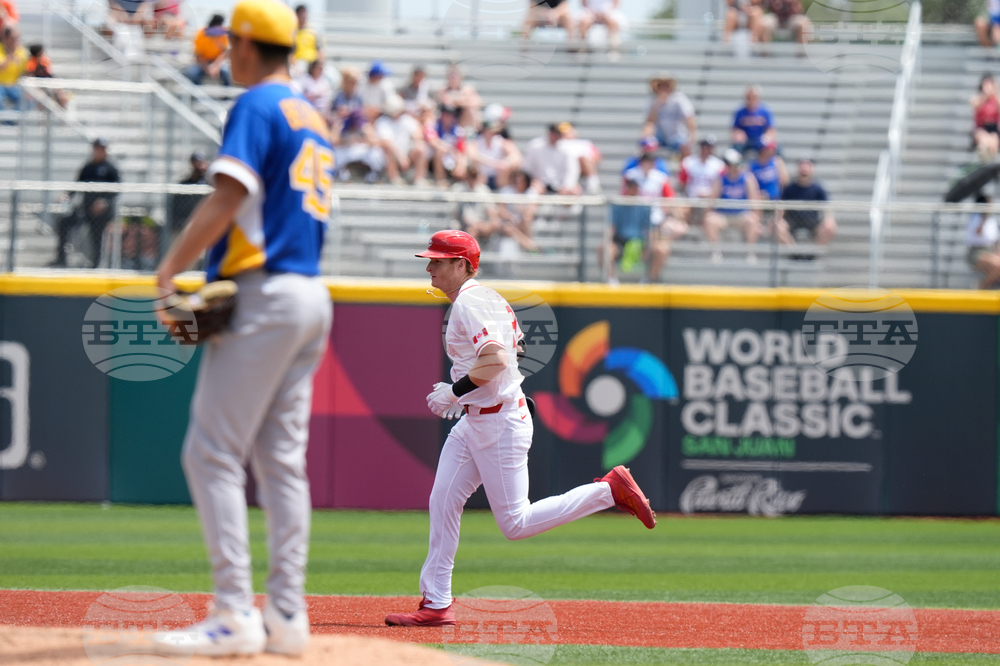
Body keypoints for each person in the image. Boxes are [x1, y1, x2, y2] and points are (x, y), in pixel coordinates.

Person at [150, 0, 333, 656]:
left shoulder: (256, 105)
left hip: (268, 293)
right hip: (311, 292)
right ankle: (287, 616)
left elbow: (228, 196)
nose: (227, 54)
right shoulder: (310, 113)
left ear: (251, 47)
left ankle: (233, 611)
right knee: (282, 462)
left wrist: (168, 269)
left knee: (210, 452)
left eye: (231, 44)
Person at [383, 230, 656, 627]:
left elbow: (494, 359)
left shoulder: (470, 304)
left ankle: (607, 491)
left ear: (461, 265)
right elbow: (518, 350)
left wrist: (455, 392)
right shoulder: (486, 297)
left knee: (515, 523)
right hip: (481, 420)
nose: (429, 268)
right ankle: (436, 602)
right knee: (443, 501)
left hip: (496, 422)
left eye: (438, 261)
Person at [49, 138, 121, 268]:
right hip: (85, 208)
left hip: (101, 212)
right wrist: (66, 196)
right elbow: (77, 185)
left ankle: (96, 265)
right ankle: (61, 259)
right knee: (64, 224)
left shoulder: (110, 169)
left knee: (96, 236)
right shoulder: (88, 167)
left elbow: (116, 190)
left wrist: (104, 202)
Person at [600, 173, 671, 284]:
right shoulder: (617, 206)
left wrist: (649, 246)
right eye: (631, 187)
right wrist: (608, 241)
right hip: (621, 243)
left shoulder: (644, 207)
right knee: (604, 249)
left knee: (661, 250)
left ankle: (649, 280)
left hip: (640, 243)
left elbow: (650, 230)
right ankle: (612, 281)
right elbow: (612, 227)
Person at [705, 149, 762, 263]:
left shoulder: (747, 178)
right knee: (710, 220)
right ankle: (715, 252)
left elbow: (754, 200)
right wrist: (708, 213)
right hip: (723, 215)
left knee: (752, 221)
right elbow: (712, 200)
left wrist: (757, 217)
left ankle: (750, 253)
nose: (735, 167)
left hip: (742, 215)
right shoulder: (720, 179)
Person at [624, 152, 687, 242]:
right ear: (641, 163)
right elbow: (624, 196)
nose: (647, 164)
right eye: (645, 161)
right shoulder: (631, 176)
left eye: (650, 161)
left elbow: (670, 197)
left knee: (679, 228)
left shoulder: (660, 177)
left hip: (655, 214)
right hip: (635, 214)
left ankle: (659, 243)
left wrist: (666, 208)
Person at [774, 158, 836, 247]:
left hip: (812, 220)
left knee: (830, 228)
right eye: (802, 166)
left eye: (807, 166)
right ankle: (793, 252)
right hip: (792, 221)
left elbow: (827, 207)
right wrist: (779, 219)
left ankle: (814, 254)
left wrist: (829, 220)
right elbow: (782, 206)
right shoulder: (789, 188)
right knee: (778, 226)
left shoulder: (818, 189)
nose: (804, 169)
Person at [374, 94, 428, 185]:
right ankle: (394, 178)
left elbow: (418, 133)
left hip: (406, 154)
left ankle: (419, 179)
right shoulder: (382, 121)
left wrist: (417, 141)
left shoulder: (406, 119)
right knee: (388, 150)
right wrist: (401, 156)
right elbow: (387, 142)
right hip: (392, 155)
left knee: (421, 148)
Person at [642, 71, 697, 159]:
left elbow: (689, 117)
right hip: (660, 136)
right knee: (646, 143)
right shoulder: (653, 100)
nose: (663, 88)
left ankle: (683, 170)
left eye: (666, 85)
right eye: (660, 86)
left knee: (686, 148)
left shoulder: (679, 99)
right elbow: (649, 122)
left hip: (677, 135)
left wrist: (692, 137)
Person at [468, 103, 521, 191]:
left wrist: (504, 163)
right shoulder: (476, 140)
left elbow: (516, 156)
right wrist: (493, 163)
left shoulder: (501, 140)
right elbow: (472, 156)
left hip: (498, 178)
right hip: (481, 177)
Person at [678, 135, 725, 229]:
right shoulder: (688, 162)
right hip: (691, 198)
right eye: (704, 147)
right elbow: (682, 183)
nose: (706, 149)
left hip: (710, 200)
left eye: (709, 147)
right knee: (681, 209)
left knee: (709, 210)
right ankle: (685, 233)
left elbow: (721, 187)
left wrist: (710, 196)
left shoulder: (719, 166)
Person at [167, 151, 210, 249]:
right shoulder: (185, 184)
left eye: (200, 162)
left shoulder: (207, 182)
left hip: (202, 226)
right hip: (184, 224)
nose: (198, 165)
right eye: (196, 162)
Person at [523, 123, 578, 195]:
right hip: (540, 184)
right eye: (556, 133)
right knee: (531, 193)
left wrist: (566, 186)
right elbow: (527, 167)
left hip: (560, 185)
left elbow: (572, 170)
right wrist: (533, 181)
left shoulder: (567, 149)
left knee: (574, 193)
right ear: (551, 133)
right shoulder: (535, 146)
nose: (558, 136)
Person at [451, 165, 501, 243]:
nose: (472, 178)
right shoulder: (458, 189)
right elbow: (459, 213)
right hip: (463, 224)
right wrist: (476, 224)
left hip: (481, 223)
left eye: (474, 176)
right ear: (466, 176)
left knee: (496, 224)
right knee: (472, 231)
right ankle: (474, 253)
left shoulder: (483, 189)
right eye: (470, 176)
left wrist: (492, 220)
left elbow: (491, 209)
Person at [426, 103, 468, 187]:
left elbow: (460, 149)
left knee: (464, 160)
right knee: (439, 152)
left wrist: (460, 163)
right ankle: (440, 180)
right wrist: (447, 148)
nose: (449, 117)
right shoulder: (434, 125)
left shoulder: (458, 130)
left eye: (451, 115)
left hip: (452, 156)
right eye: (446, 115)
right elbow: (432, 140)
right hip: (432, 158)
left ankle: (459, 180)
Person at [498, 169, 540, 251]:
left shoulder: (531, 192)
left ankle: (529, 244)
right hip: (509, 222)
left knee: (526, 218)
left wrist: (521, 209)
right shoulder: (506, 190)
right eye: (516, 180)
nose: (518, 182)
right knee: (508, 228)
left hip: (523, 222)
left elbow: (531, 210)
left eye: (521, 180)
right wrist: (511, 217)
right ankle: (531, 246)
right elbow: (501, 210)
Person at [185, 14, 230, 86]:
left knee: (226, 72)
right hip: (203, 63)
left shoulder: (222, 33)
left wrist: (216, 66)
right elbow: (198, 55)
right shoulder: (200, 34)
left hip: (217, 62)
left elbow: (224, 52)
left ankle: (226, 96)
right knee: (193, 74)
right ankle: (197, 96)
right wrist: (207, 69)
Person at [966, 194, 1000, 288]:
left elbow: (995, 239)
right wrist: (984, 218)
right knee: (998, 265)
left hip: (990, 251)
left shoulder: (991, 219)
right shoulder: (975, 218)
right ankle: (982, 288)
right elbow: (978, 232)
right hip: (977, 252)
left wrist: (997, 252)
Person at [732, 85, 776, 155]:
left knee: (775, 147)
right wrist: (738, 134)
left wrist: (767, 137)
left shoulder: (765, 112)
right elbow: (735, 129)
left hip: (760, 139)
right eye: (749, 97)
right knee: (735, 148)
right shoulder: (740, 112)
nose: (751, 100)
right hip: (746, 140)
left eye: (754, 97)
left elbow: (771, 129)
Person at [435, 63, 481, 130]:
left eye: (455, 75)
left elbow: (477, 103)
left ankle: (470, 132)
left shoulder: (467, 89)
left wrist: (456, 100)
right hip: (449, 114)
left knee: (470, 110)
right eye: (451, 75)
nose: (453, 78)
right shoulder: (443, 89)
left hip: (462, 117)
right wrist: (463, 100)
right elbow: (446, 102)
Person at [971, 74, 1000, 162]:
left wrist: (994, 93)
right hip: (981, 127)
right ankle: (984, 162)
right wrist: (986, 95)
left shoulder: (995, 99)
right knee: (984, 142)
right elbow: (976, 106)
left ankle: (990, 164)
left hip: (993, 127)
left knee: (993, 141)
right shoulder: (977, 98)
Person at [0, 26, 27, 115]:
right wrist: (11, 55)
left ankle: (11, 123)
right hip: (1, 84)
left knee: (26, 99)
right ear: (6, 38)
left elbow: (25, 71)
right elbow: (1, 67)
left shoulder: (22, 52)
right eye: (13, 38)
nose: (15, 40)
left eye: (17, 38)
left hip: (14, 85)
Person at [291, 4, 321, 77]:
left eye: (305, 13)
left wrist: (319, 64)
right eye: (301, 13)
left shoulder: (313, 31)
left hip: (312, 63)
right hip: (299, 63)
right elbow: (290, 53)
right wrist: (294, 65)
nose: (304, 15)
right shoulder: (292, 32)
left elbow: (319, 50)